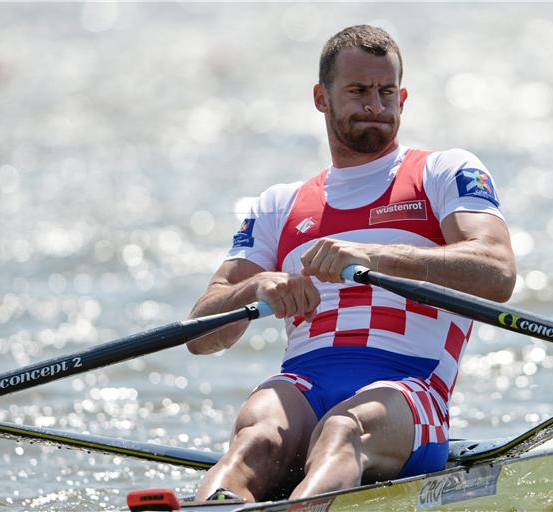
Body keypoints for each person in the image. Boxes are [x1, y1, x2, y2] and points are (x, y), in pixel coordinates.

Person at [186, 24, 516, 502]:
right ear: (322, 98)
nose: (375, 107)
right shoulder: (278, 205)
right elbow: (199, 334)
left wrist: (373, 256)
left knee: (342, 429)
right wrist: (253, 292)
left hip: (409, 389)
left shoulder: (443, 172)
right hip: (303, 383)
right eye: (358, 91)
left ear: (403, 97)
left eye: (386, 93)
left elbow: (498, 270)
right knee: (256, 437)